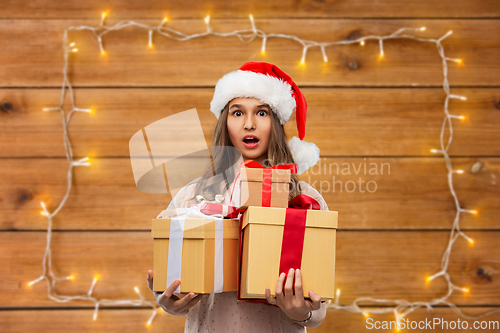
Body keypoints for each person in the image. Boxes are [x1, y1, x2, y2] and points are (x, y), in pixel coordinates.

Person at [147, 62, 329, 332]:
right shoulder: (191, 195)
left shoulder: (306, 200)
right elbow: (171, 281)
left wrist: (302, 312)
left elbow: (318, 310)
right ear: (225, 122)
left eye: (262, 112)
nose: (249, 124)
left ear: (275, 123)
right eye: (237, 112)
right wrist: (168, 302)